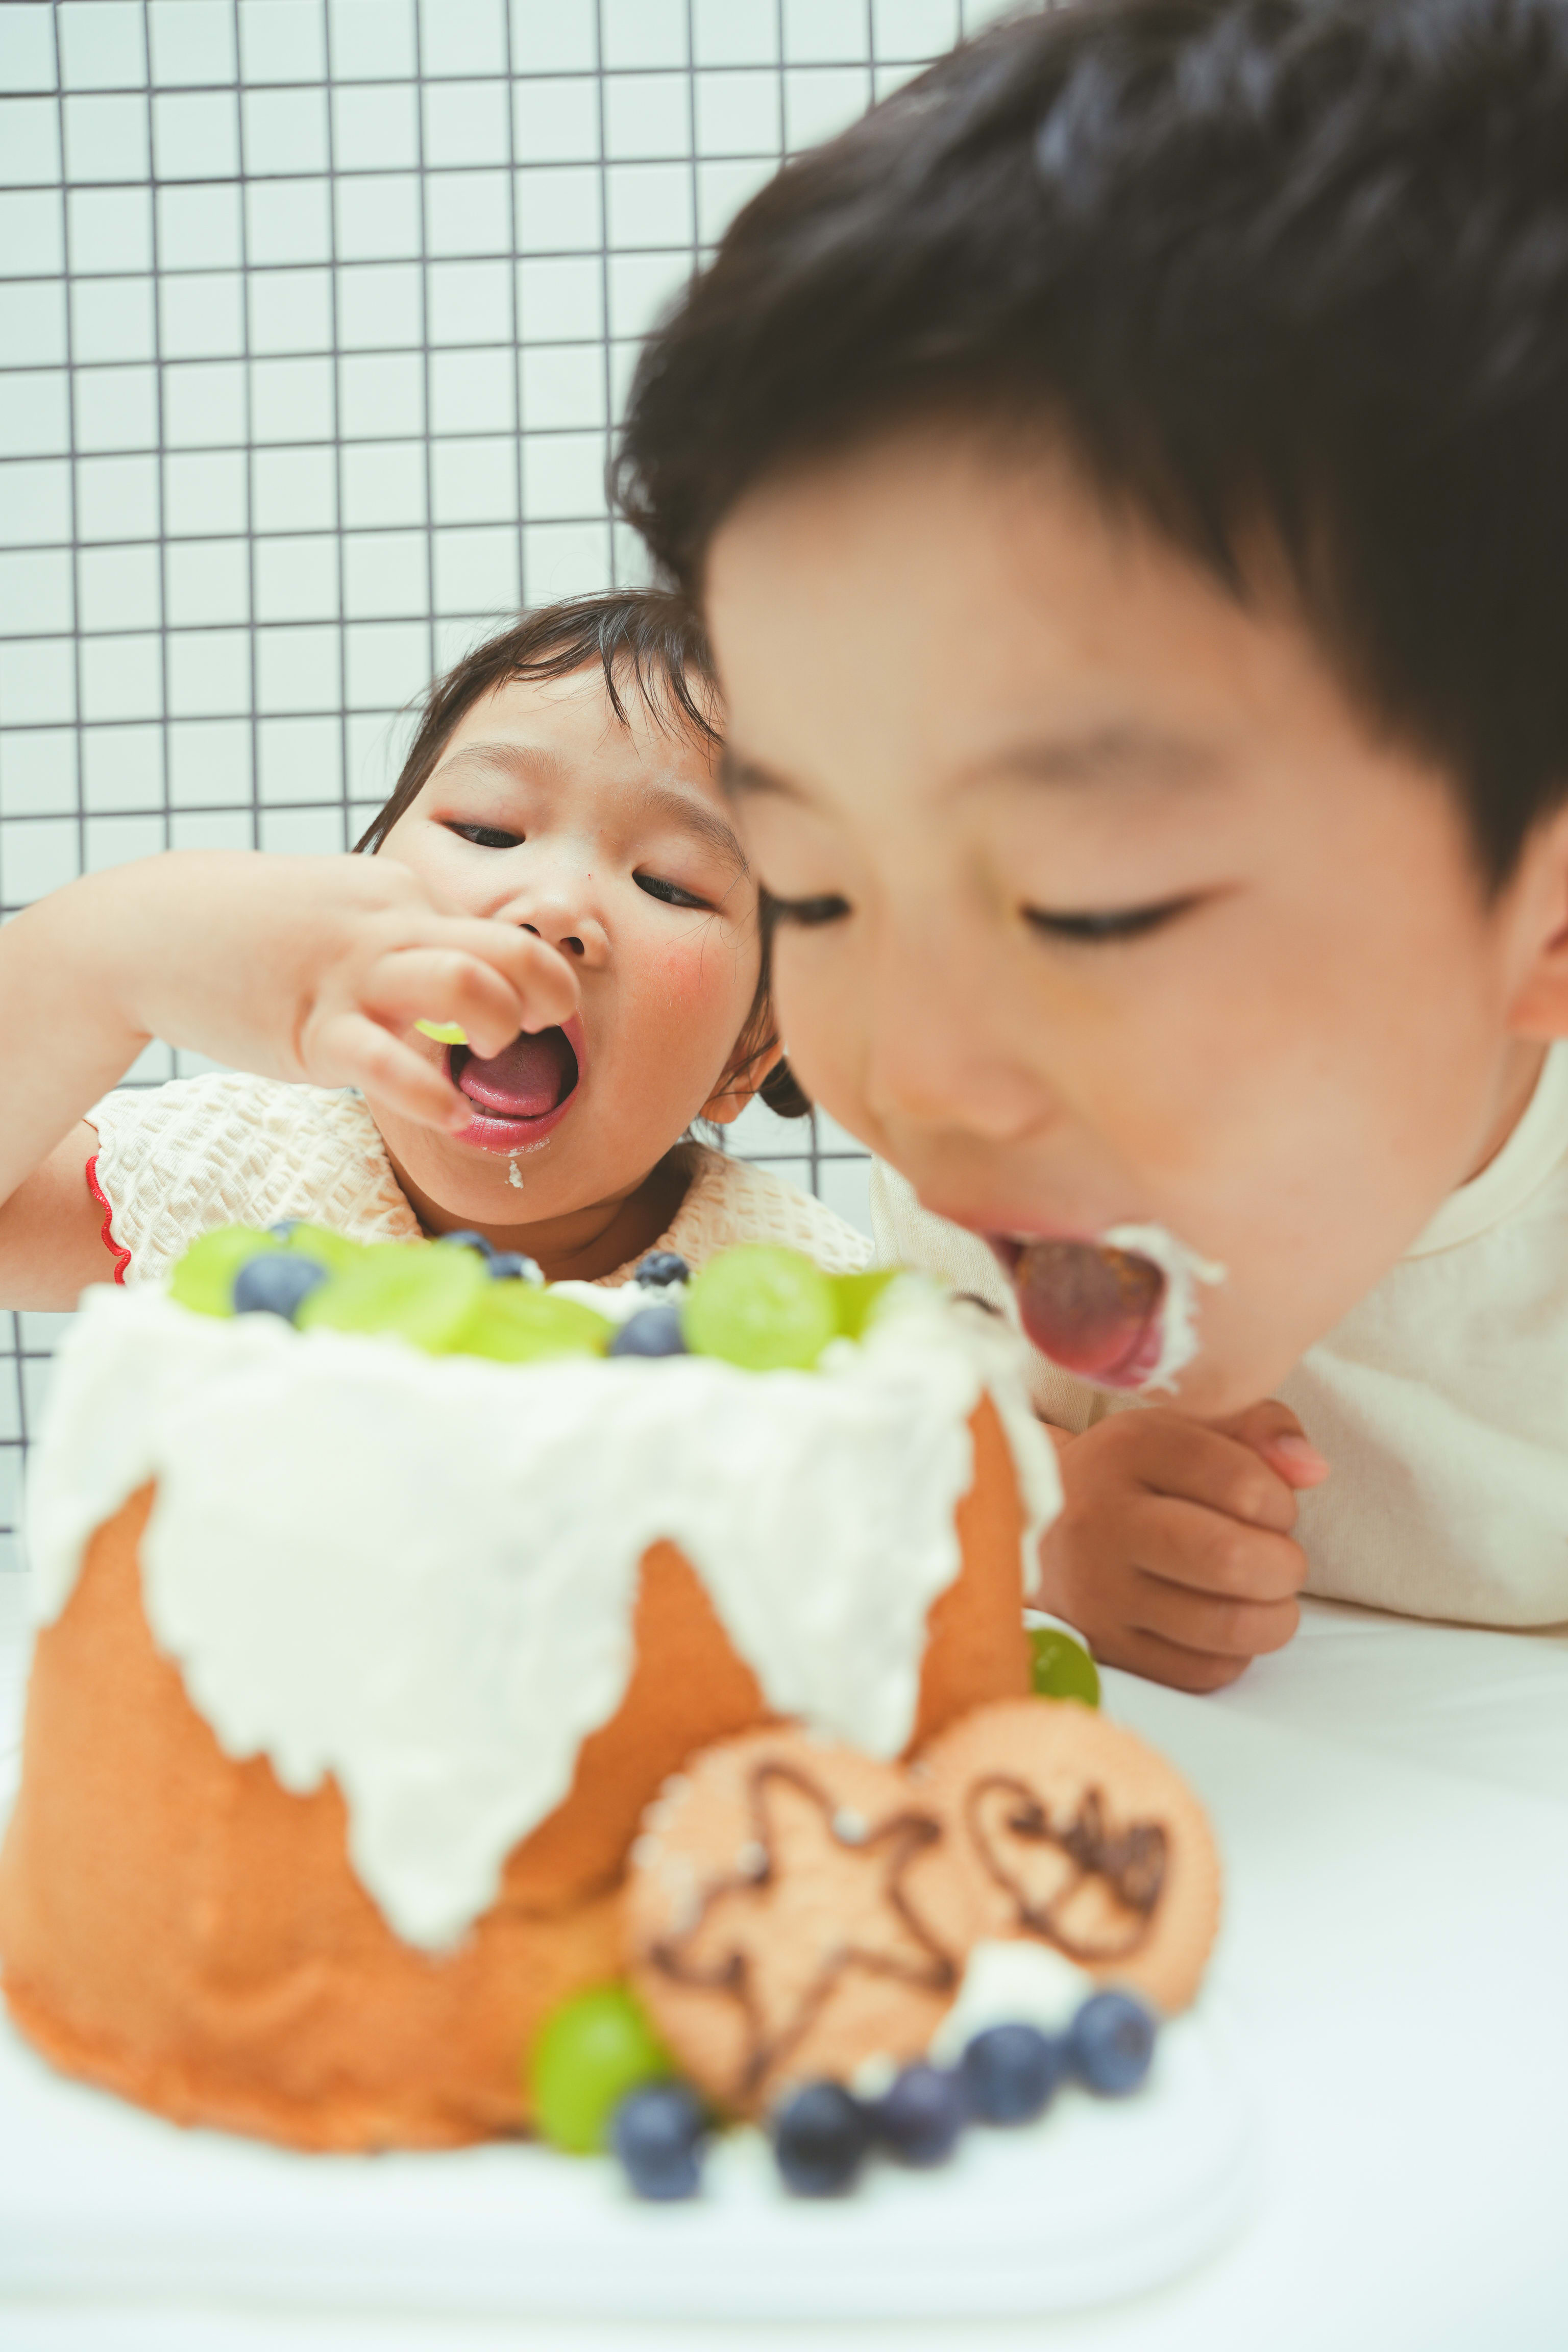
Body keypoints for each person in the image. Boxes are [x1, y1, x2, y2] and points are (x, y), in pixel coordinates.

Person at [613, 0, 1568, 1687]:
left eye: (1086, 906)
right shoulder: (1001, 1226)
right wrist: (1055, 1522)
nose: (909, 1075)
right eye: (819, 888)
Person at [0, 591, 869, 1312]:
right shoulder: (234, 1178)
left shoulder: (807, 1304)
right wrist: (109, 958)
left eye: (670, 885)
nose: (553, 908)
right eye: (488, 829)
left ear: (748, 1053)